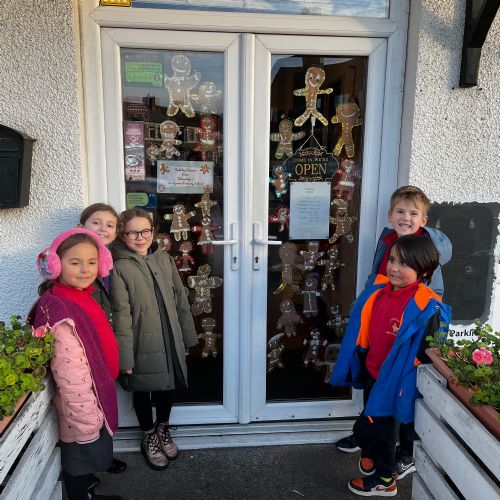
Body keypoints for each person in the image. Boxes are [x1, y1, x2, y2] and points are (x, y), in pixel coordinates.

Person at [335, 185, 452, 477]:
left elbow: (431, 297)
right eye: (400, 211)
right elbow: (377, 276)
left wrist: (417, 324)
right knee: (374, 381)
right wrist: (364, 306)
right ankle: (370, 438)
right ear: (390, 215)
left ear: (423, 220)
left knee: (404, 397)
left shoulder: (425, 249)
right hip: (383, 323)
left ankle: (405, 453)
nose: (406, 218)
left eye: (413, 213)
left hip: (406, 331)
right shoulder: (388, 239)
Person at [32, 228, 122, 500]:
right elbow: (69, 369)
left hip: (91, 395)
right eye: (75, 262)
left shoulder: (79, 296)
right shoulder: (61, 311)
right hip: (80, 404)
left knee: (87, 458)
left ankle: (88, 491)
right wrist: (85, 415)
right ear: (56, 265)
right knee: (79, 460)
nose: (85, 269)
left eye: (92, 262)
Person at [110, 208, 198, 470]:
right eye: (132, 233)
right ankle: (148, 434)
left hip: (169, 337)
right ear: (122, 235)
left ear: (154, 231)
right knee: (143, 388)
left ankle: (163, 428)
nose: (140, 237)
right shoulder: (119, 267)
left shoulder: (164, 259)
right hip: (141, 342)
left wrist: (186, 336)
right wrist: (125, 357)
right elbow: (121, 314)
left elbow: (180, 299)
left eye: (145, 231)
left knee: (168, 386)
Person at [78, 203, 128, 481]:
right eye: (96, 222)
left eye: (110, 225)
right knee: (86, 408)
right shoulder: (77, 259)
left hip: (104, 344)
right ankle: (88, 468)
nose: (103, 229)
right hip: (85, 347)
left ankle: (102, 457)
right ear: (81, 226)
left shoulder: (108, 260)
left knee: (103, 403)